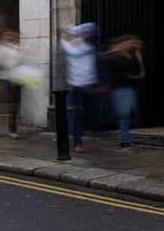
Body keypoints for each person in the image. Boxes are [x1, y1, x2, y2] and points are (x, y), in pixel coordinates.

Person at [60, 23, 100, 153]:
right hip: (77, 85)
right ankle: (77, 141)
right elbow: (67, 66)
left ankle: (87, 134)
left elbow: (90, 66)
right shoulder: (72, 46)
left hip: (90, 84)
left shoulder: (90, 47)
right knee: (79, 112)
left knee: (91, 111)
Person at [100, 35, 145, 148]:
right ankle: (124, 139)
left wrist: (140, 60)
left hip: (129, 89)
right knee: (124, 115)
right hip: (118, 89)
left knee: (126, 115)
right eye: (134, 44)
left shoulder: (131, 57)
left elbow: (141, 75)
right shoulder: (112, 56)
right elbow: (109, 73)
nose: (136, 47)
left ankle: (124, 138)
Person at [0, 31, 31, 139]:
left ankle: (12, 130)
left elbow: (23, 62)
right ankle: (11, 130)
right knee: (6, 103)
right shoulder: (0, 49)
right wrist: (5, 60)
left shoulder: (16, 49)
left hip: (15, 80)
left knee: (14, 105)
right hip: (3, 80)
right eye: (10, 37)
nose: (13, 39)